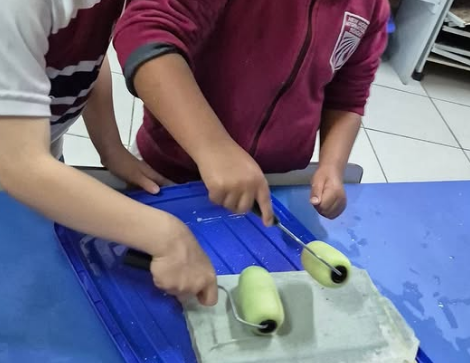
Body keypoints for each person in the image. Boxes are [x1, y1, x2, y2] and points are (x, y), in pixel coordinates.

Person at [0, 0, 218, 306]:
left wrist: (110, 148)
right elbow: (18, 165)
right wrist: (166, 236)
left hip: (38, 151)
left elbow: (86, 59)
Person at [114, 0, 390, 225]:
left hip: (271, 187)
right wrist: (214, 147)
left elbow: (347, 98)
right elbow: (147, 31)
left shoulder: (372, 7)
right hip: (169, 170)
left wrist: (332, 166)